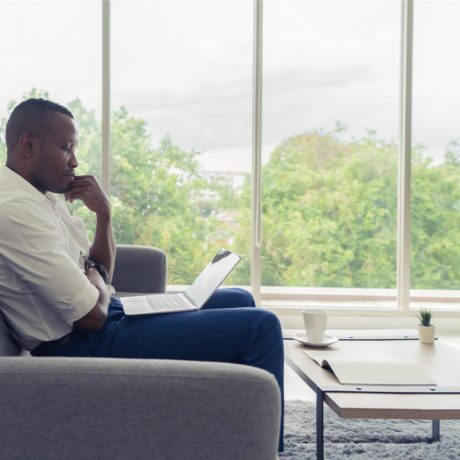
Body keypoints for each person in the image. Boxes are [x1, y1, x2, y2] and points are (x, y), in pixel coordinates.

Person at [0, 98, 284, 451]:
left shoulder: (40, 199)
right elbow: (92, 314)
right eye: (66, 148)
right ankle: (266, 449)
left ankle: (231, 417)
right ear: (27, 145)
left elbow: (98, 270)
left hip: (104, 321)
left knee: (239, 298)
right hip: (80, 344)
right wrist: (95, 276)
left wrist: (104, 215)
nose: (74, 161)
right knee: (262, 327)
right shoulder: (13, 210)